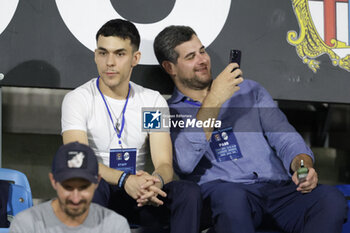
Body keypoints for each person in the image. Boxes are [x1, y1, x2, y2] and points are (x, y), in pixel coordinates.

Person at [153, 25, 348, 233]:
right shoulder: (168, 111)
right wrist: (215, 99)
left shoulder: (249, 91)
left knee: (330, 199)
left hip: (277, 190)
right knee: (231, 196)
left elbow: (285, 137)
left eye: (202, 51)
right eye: (190, 56)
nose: (202, 60)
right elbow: (184, 163)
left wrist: (303, 165)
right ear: (170, 67)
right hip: (226, 195)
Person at [61, 19, 201, 232]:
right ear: (95, 56)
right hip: (99, 189)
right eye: (102, 53)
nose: (109, 62)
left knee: (188, 193)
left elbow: (164, 164)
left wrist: (155, 182)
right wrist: (125, 179)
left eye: (119, 54)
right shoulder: (78, 99)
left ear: (135, 58)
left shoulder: (151, 101)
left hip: (139, 192)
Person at [9, 142, 130, 233]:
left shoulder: (114, 226)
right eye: (68, 188)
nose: (75, 198)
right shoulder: (27, 225)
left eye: (83, 188)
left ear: (97, 182)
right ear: (53, 181)